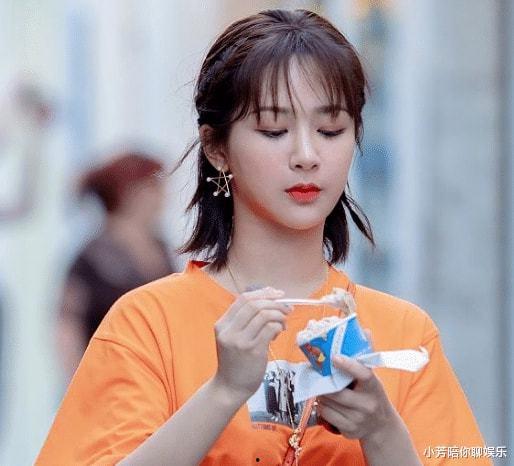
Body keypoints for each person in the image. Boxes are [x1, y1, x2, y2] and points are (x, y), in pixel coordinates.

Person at [37, 9, 490, 465]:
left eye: (331, 130)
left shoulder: (406, 335)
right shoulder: (146, 325)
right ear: (216, 148)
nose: (307, 155)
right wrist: (223, 391)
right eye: (274, 130)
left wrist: (382, 430)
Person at [56, 152, 177, 384]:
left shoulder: (161, 248)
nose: (163, 195)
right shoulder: (92, 256)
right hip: (109, 380)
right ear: (129, 192)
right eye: (153, 186)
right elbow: (67, 325)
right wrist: (82, 384)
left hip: (156, 377)